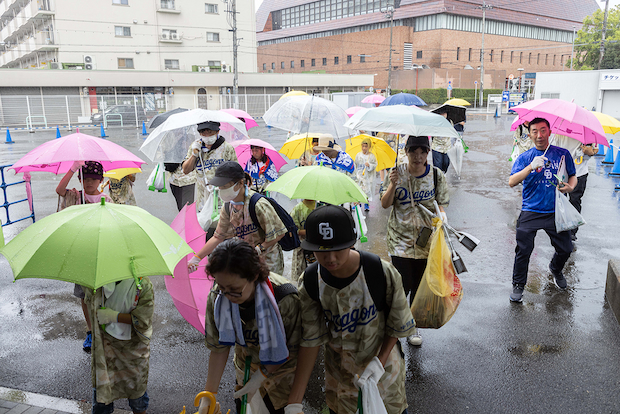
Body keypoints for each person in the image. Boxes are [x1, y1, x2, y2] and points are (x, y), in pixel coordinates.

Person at [285, 205, 415, 414]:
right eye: (321, 251)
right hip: (341, 383)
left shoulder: (380, 272)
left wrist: (379, 363)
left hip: (383, 380)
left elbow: (398, 324)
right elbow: (311, 339)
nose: (331, 259)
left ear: (352, 242)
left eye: (338, 248)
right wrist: (295, 400)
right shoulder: (310, 282)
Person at [199, 239, 301, 414]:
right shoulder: (218, 298)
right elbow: (219, 347)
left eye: (234, 288)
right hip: (244, 375)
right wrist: (209, 395)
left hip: (281, 383)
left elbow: (294, 349)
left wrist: (260, 377)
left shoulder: (285, 299)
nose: (228, 295)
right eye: (222, 287)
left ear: (254, 276)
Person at [380, 135, 449, 346]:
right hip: (399, 238)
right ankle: (395, 323)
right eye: (413, 152)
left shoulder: (436, 175)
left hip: (426, 241)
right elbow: (385, 204)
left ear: (428, 153)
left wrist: (443, 217)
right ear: (406, 151)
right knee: (402, 284)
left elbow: (441, 203)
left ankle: (412, 325)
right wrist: (392, 185)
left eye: (422, 152)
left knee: (419, 285)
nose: (417, 157)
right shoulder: (396, 173)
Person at [508, 118, 577, 303]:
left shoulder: (562, 154)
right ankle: (518, 284)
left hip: (555, 211)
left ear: (549, 131)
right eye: (535, 131)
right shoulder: (525, 157)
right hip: (531, 210)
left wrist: (570, 187)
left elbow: (572, 176)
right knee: (523, 250)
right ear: (529, 134)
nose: (539, 135)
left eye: (543, 130)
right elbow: (512, 181)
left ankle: (555, 268)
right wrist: (531, 166)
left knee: (566, 248)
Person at [190, 162, 288, 275]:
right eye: (220, 187)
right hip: (246, 261)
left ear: (240, 183)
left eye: (225, 187)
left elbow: (279, 233)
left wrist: (259, 248)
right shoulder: (228, 207)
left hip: (268, 263)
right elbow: (218, 237)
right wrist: (196, 258)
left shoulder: (258, 205)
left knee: (265, 291)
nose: (221, 190)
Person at [56, 160, 112, 353]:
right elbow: (59, 190)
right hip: (81, 252)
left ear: (101, 180)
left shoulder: (106, 199)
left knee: (104, 292)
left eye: (94, 179)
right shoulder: (75, 196)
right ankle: (90, 330)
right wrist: (72, 168)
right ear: (80, 178)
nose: (89, 183)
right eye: (86, 178)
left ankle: (103, 327)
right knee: (83, 294)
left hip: (101, 251)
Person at [84, 276, 154, 414]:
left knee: (138, 400)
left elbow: (144, 320)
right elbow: (88, 303)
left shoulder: (142, 284)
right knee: (102, 401)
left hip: (132, 353)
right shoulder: (95, 283)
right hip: (104, 352)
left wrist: (114, 316)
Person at [181, 121, 238, 212]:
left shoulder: (227, 148)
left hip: (223, 202)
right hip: (203, 202)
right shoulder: (195, 146)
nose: (207, 136)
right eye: (204, 133)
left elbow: (236, 174)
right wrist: (194, 155)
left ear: (217, 132)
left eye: (210, 132)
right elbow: (185, 170)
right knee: (205, 225)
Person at [553, 134, 597, 241]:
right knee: (560, 201)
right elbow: (553, 148)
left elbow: (594, 150)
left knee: (575, 201)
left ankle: (572, 231)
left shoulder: (589, 132)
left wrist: (589, 151)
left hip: (580, 172)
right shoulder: (561, 132)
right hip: (563, 172)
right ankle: (560, 227)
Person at [289, 199, 316, 283]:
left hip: (317, 247)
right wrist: (311, 232)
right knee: (302, 277)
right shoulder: (297, 209)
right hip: (301, 247)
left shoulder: (320, 207)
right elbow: (293, 230)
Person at [354, 137, 378, 211]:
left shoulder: (371, 156)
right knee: (359, 188)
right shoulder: (358, 155)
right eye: (363, 146)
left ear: (369, 147)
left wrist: (369, 165)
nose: (364, 148)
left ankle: (366, 203)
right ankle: (358, 202)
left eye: (366, 146)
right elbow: (356, 164)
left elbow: (375, 164)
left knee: (367, 189)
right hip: (360, 174)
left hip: (368, 176)